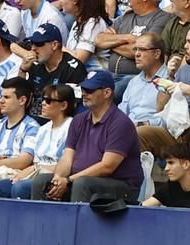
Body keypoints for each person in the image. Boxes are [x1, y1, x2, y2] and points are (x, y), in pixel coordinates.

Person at [35, 69, 143, 207]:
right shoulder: (78, 120)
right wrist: (58, 179)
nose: (85, 93)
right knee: (42, 182)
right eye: (83, 89)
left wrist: (68, 180)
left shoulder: (121, 123)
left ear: (107, 92)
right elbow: (67, 158)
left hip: (121, 186)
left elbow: (107, 166)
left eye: (90, 90)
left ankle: (79, 228)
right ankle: (42, 228)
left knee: (83, 184)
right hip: (80, 180)